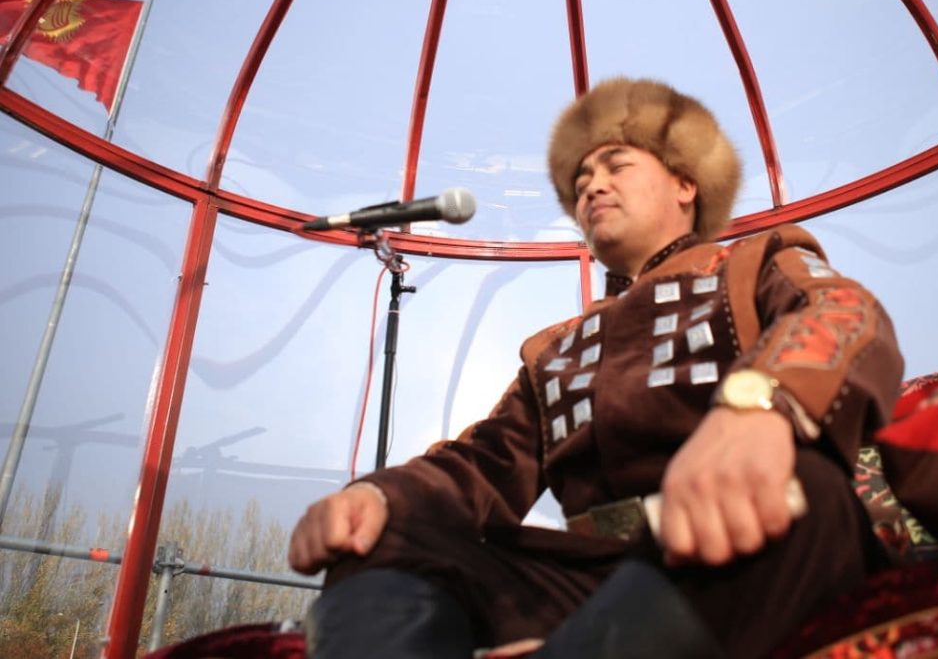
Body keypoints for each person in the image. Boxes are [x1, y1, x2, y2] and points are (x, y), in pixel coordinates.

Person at [289, 77, 904, 658]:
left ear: (685, 185)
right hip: (594, 583)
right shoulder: (556, 350)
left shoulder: (752, 265)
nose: (591, 187)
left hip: (738, 545)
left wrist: (759, 407)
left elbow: (843, 312)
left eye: (617, 166)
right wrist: (380, 494)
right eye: (581, 180)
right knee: (387, 538)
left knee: (799, 489)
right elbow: (481, 465)